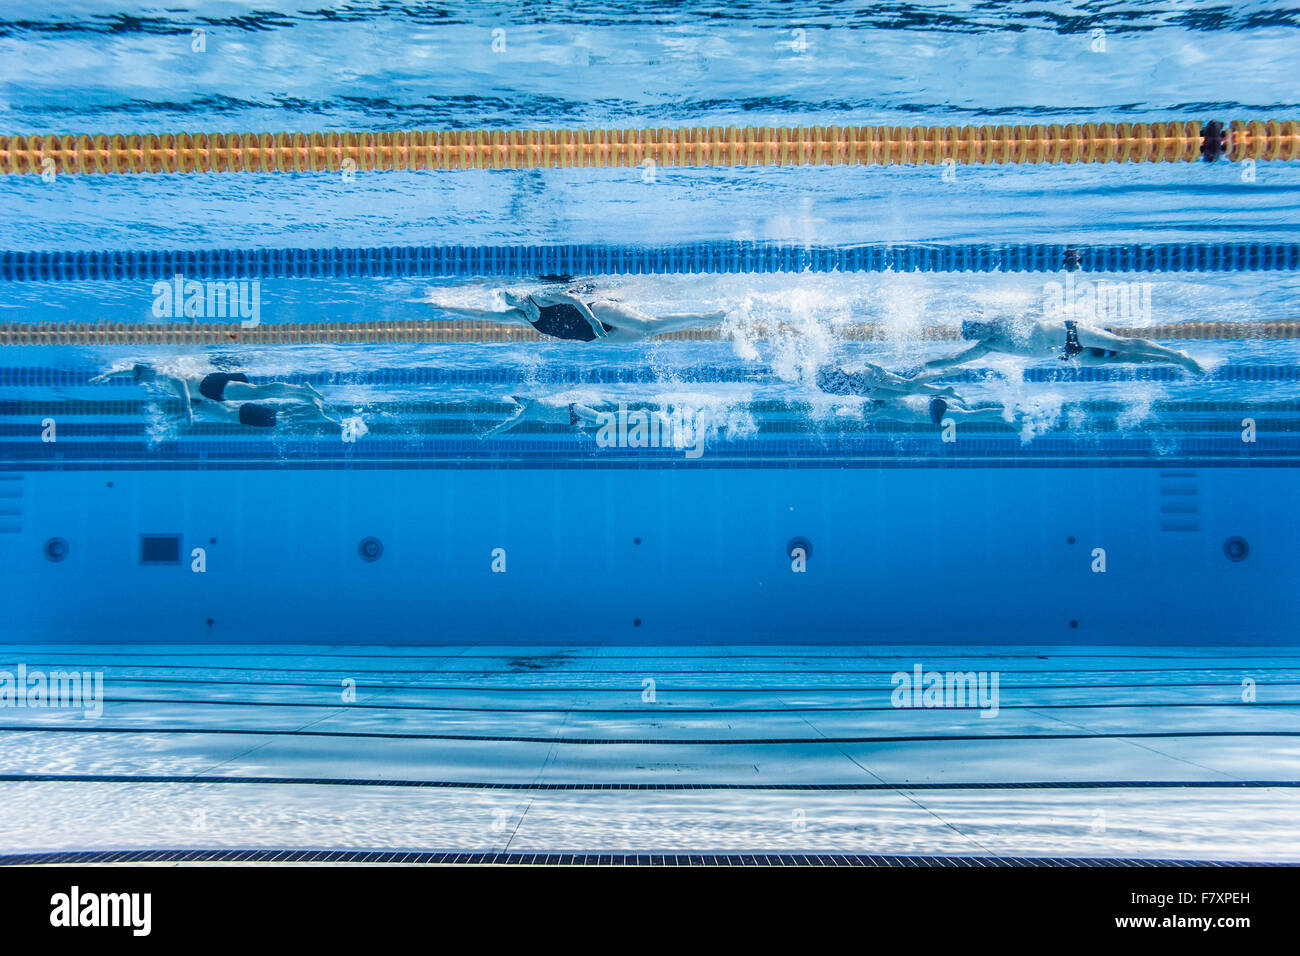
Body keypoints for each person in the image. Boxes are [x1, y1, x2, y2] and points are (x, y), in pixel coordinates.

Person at [430, 282, 727, 343]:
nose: (519, 303)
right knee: (648, 337)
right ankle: (703, 325)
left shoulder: (542, 296)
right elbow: (483, 316)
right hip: (594, 336)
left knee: (647, 326)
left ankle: (709, 317)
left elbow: (574, 301)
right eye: (514, 302)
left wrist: (595, 322)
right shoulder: (520, 316)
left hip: (596, 313)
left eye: (518, 297)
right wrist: (446, 306)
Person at [918, 318, 1205, 374]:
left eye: (976, 326)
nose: (980, 332)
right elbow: (955, 359)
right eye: (975, 332)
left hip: (1070, 332)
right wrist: (923, 366)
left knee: (1122, 343)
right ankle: (1173, 362)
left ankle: (1177, 354)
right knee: (1121, 360)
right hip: (1067, 355)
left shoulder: (1003, 319)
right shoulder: (989, 346)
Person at [93, 363, 337, 427]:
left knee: (260, 393)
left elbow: (178, 382)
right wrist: (109, 375)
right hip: (210, 389)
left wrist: (187, 409)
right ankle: (303, 395)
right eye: (137, 378)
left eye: (138, 377)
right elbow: (130, 370)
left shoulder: (160, 373)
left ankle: (302, 390)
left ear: (144, 371)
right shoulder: (152, 373)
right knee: (260, 394)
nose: (140, 381)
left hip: (210, 387)